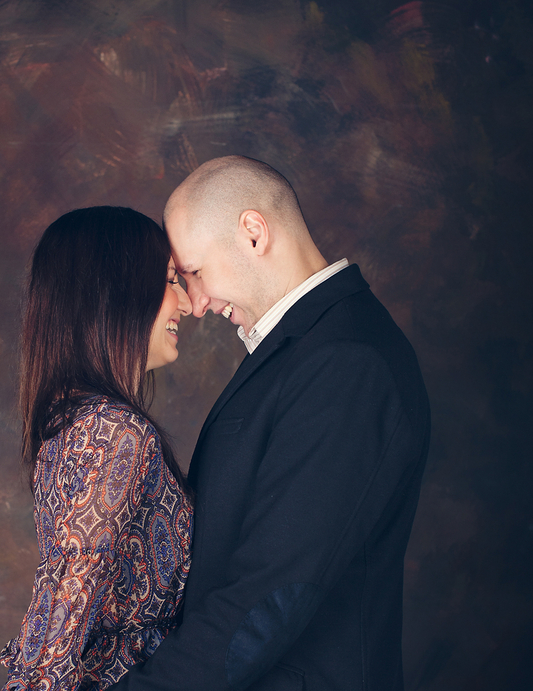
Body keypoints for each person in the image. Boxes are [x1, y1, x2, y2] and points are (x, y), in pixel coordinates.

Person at [111, 156, 431, 691]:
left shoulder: (347, 360)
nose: (196, 303)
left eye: (195, 272)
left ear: (254, 233)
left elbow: (270, 596)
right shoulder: (312, 348)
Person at [1, 207, 194, 691]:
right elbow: (70, 588)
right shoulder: (115, 432)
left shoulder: (70, 421)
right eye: (170, 280)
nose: (188, 303)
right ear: (117, 292)